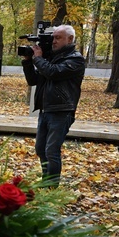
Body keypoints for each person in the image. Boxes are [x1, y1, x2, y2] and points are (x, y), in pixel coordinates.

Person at [21, 24, 85, 187]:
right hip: (46, 109)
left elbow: (53, 72)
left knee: (51, 151)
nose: (54, 41)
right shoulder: (51, 58)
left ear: (70, 39)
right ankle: (46, 182)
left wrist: (38, 58)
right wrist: (28, 62)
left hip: (62, 111)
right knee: (41, 149)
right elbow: (34, 80)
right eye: (53, 38)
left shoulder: (75, 58)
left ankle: (52, 188)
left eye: (58, 38)